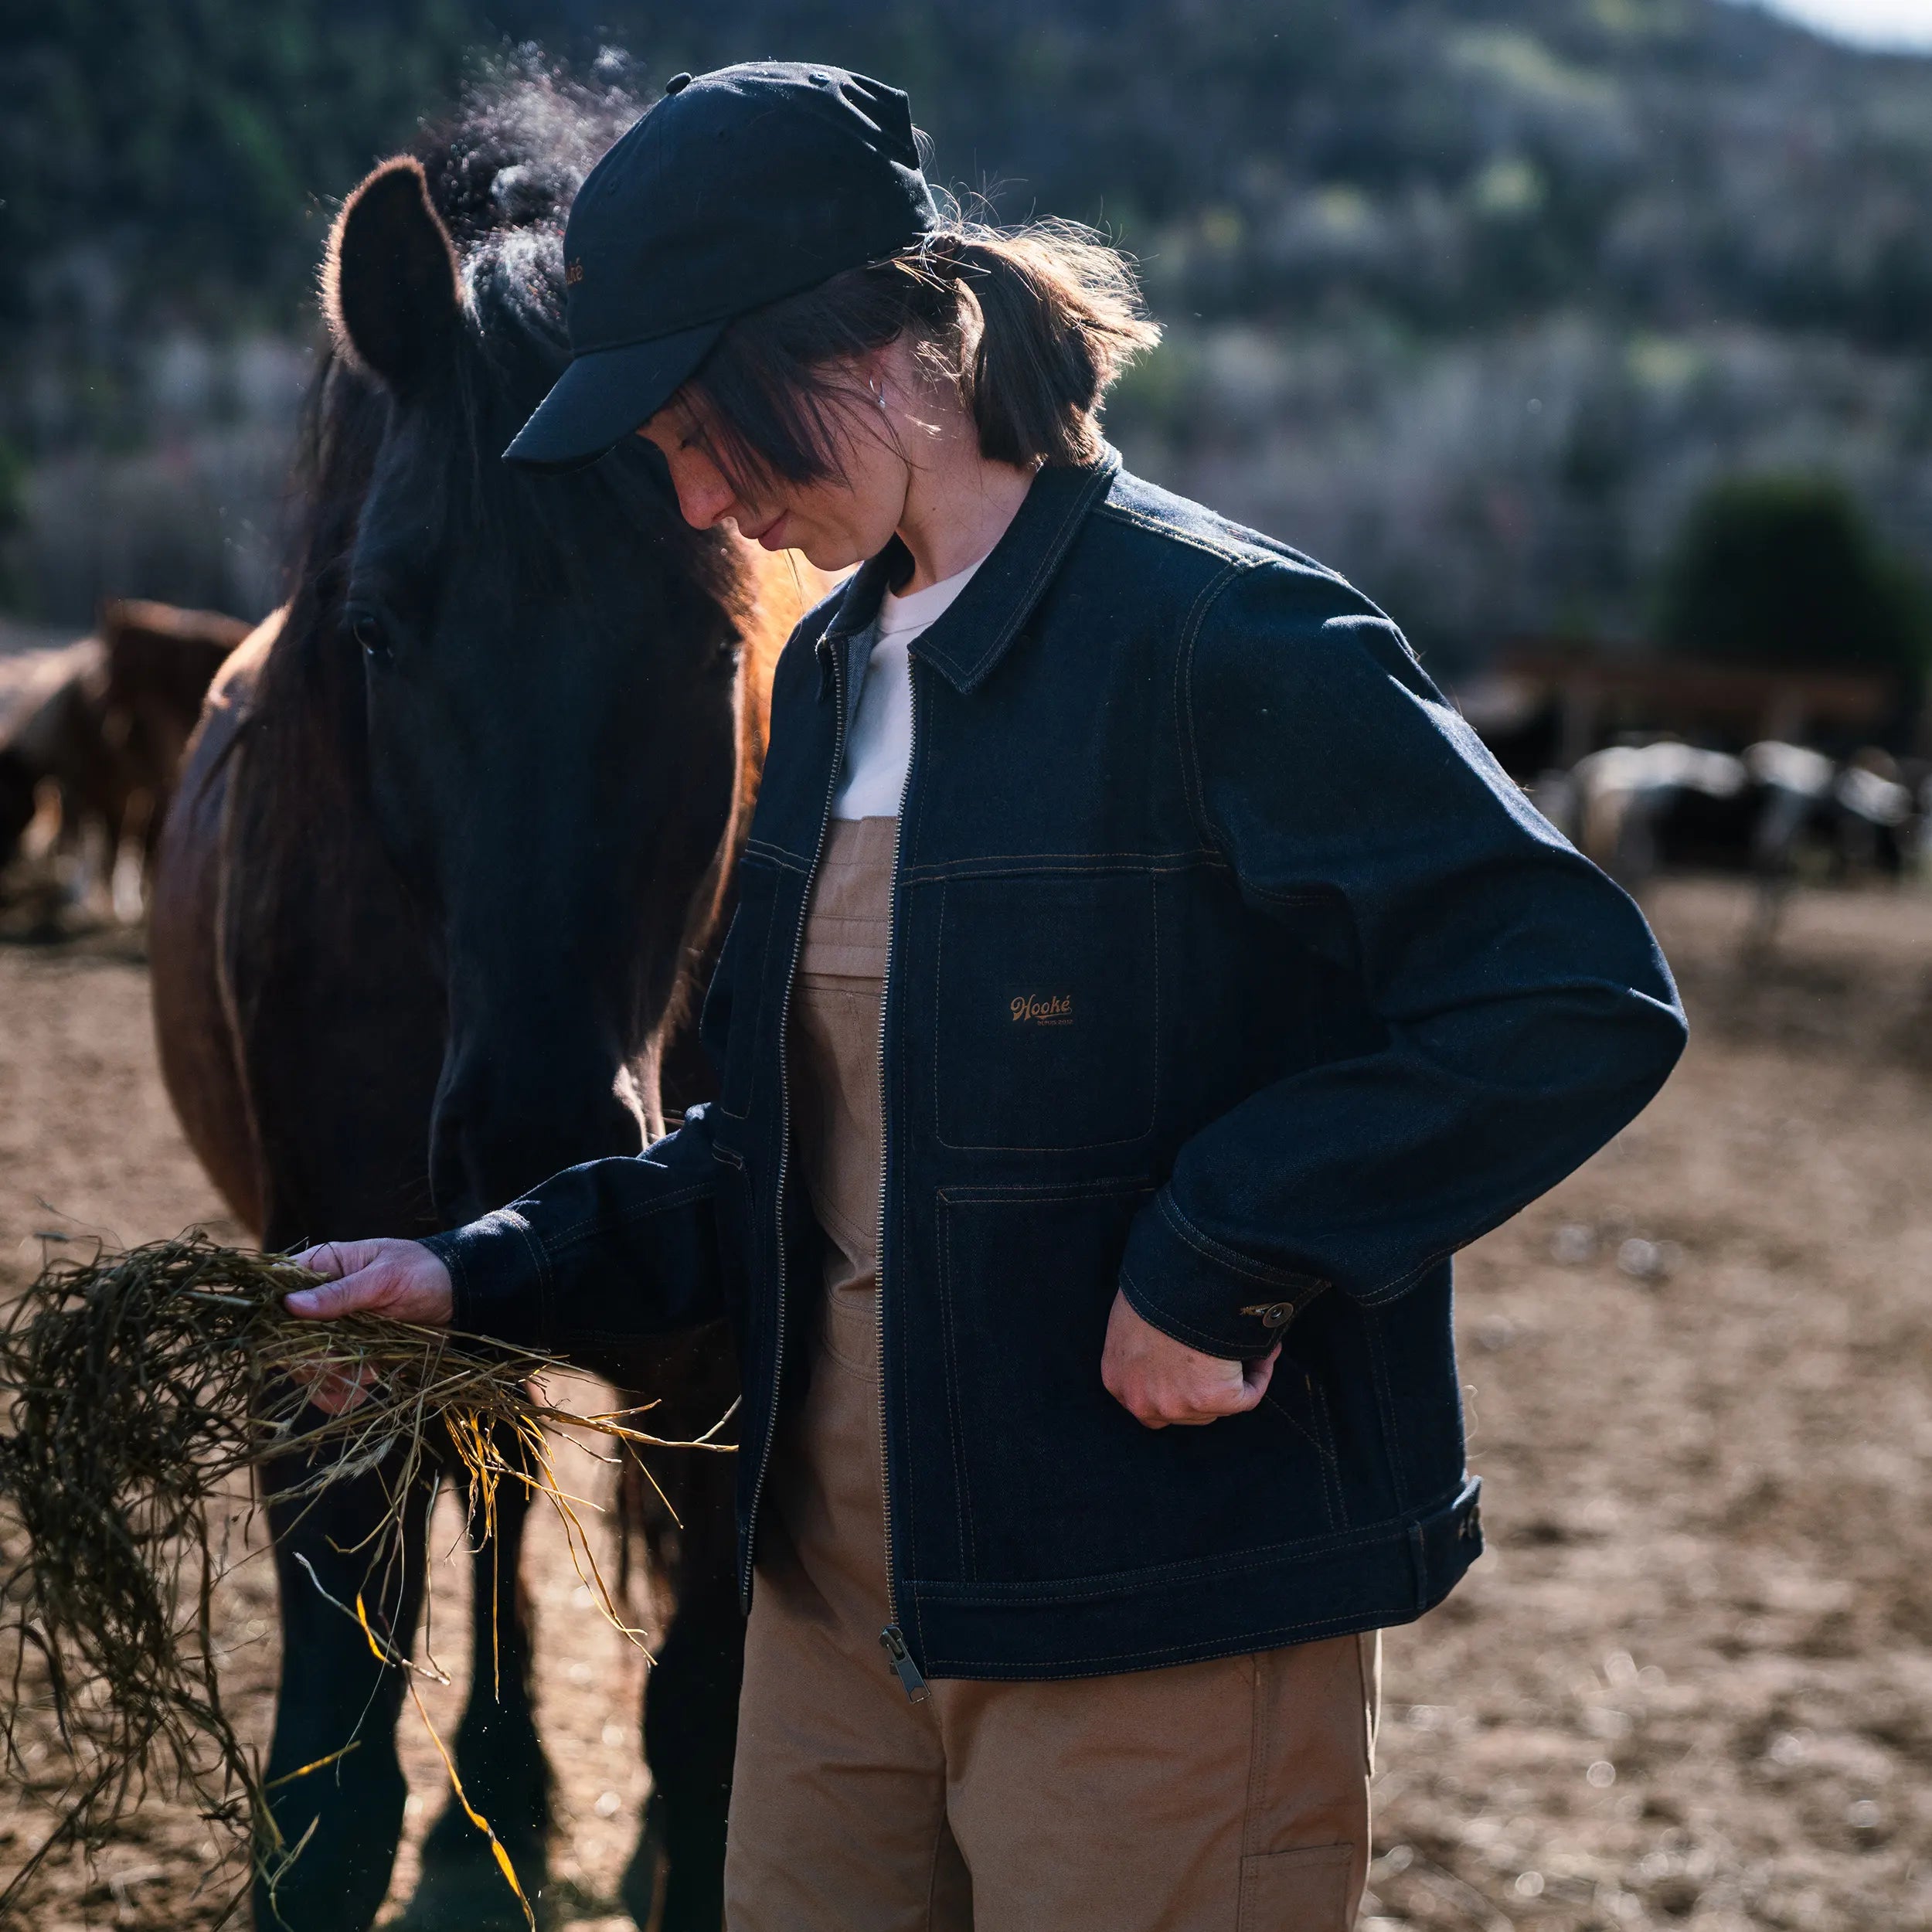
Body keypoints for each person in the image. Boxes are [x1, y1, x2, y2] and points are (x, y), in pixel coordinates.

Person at [287, 62, 1686, 1931]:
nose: (695, 495)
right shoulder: (838, 679)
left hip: (1149, 1626)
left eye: (706, 428)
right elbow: (781, 1149)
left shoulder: (1223, 638)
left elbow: (1568, 991)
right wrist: (477, 1270)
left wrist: (1220, 1250)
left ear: (868, 354)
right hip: (825, 1622)